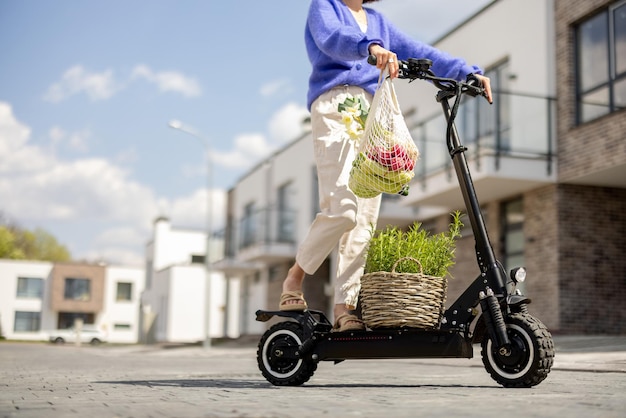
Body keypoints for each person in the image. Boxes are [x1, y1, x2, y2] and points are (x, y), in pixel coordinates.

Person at [279, 0, 493, 331]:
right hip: (335, 106)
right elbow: (332, 38)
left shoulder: (378, 21)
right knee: (343, 207)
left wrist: (467, 72)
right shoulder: (325, 5)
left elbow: (418, 50)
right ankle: (295, 278)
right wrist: (371, 48)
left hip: (371, 112)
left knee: (364, 219)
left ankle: (345, 307)